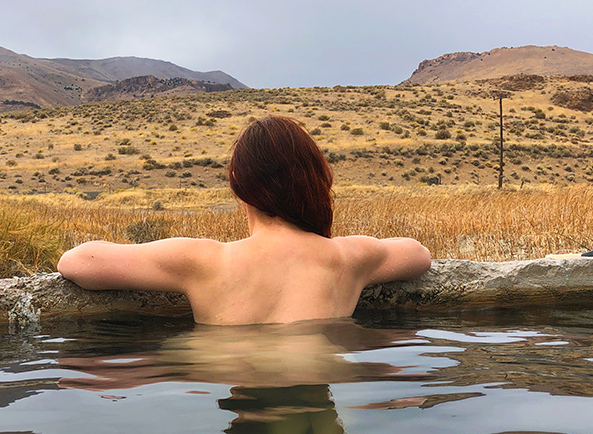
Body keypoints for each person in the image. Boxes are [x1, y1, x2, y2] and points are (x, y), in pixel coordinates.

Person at [56, 114, 431, 326]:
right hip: (317, 392)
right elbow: (418, 255)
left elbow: (78, 262)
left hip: (230, 380)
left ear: (238, 185)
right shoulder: (348, 258)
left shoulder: (205, 261)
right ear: (318, 181)